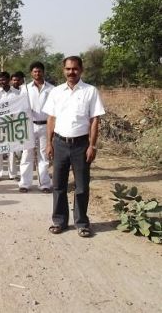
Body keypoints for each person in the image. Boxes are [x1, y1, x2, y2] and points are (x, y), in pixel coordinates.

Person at [43, 55, 105, 238]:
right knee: (58, 185)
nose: (71, 72)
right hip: (60, 144)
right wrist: (49, 143)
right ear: (63, 71)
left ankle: (82, 223)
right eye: (68, 69)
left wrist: (92, 146)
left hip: (81, 145)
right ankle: (59, 221)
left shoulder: (90, 91)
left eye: (75, 69)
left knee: (82, 186)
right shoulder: (56, 92)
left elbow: (95, 120)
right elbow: (51, 119)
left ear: (81, 70)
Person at [18, 62, 54, 193]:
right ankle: (24, 183)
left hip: (46, 125)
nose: (37, 74)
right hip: (30, 125)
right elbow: (19, 107)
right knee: (27, 154)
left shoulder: (51, 89)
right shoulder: (25, 88)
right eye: (34, 71)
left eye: (39, 71)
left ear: (43, 72)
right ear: (31, 73)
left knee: (44, 155)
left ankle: (44, 183)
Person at [0, 72, 20, 181]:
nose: (2, 82)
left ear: (9, 80)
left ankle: (13, 174)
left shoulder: (17, 93)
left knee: (12, 150)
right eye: (0, 80)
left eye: (4, 80)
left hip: (12, 124)